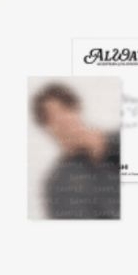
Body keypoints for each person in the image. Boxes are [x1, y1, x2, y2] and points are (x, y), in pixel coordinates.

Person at [32, 83, 120, 219]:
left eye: (65, 109)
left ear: (77, 109)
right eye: (51, 117)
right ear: (47, 128)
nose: (62, 121)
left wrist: (107, 143)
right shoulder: (60, 184)